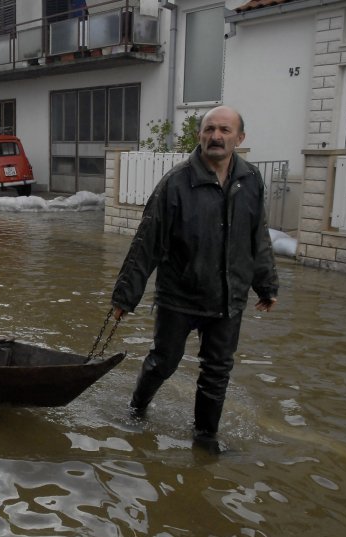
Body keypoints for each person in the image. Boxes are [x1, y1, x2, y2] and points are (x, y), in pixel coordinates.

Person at [110, 105, 279, 452]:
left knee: (217, 372)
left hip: (228, 298)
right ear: (200, 135)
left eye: (224, 130)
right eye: (210, 129)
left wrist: (266, 284)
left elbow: (257, 235)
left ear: (240, 138)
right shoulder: (176, 183)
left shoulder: (250, 180)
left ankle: (205, 437)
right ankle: (137, 407)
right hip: (180, 296)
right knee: (163, 363)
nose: (216, 136)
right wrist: (125, 298)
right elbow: (147, 243)